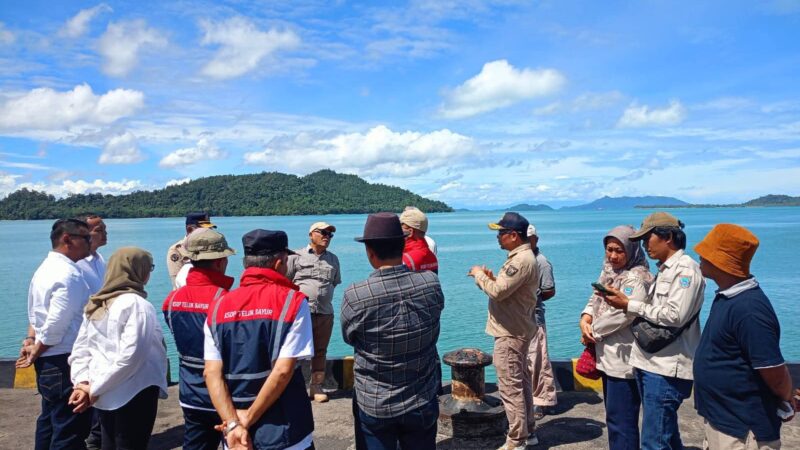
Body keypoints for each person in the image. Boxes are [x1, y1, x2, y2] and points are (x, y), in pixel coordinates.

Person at [602, 212, 705, 450]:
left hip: (666, 367)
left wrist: (630, 305)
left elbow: (675, 315)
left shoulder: (685, 270)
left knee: (654, 441)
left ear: (668, 237)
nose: (644, 245)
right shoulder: (666, 270)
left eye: (648, 238)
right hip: (650, 363)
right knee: (666, 435)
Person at [204, 229, 314, 450]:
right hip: (286, 430)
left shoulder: (218, 306)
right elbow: (283, 371)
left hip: (235, 434)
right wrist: (248, 418)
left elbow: (211, 373)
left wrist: (234, 423)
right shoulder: (293, 302)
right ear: (278, 263)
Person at [342, 212, 444, 450]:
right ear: (402, 244)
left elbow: (350, 337)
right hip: (422, 396)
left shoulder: (356, 295)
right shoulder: (431, 283)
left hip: (376, 400)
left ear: (370, 251)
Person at [693, 224, 796, 449]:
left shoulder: (749, 309)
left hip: (742, 430)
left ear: (721, 262)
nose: (699, 255)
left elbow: (773, 370)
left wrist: (788, 396)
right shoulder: (729, 298)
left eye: (706, 252)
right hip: (724, 421)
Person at [68, 247, 168, 450]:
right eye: (149, 268)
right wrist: (92, 389)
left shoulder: (97, 303)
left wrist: (82, 383)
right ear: (137, 271)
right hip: (134, 391)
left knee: (109, 444)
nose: (149, 273)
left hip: (104, 393)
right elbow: (132, 357)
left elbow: (80, 350)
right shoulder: (137, 305)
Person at [17, 218, 93, 449]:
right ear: (67, 239)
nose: (90, 243)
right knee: (70, 429)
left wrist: (35, 347)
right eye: (86, 238)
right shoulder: (68, 274)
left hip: (50, 359)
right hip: (64, 359)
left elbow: (36, 313)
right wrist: (37, 350)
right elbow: (56, 324)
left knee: (50, 421)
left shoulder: (45, 269)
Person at [580, 225, 655, 450]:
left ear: (631, 250)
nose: (612, 255)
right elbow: (596, 300)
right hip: (608, 355)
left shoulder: (635, 278)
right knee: (614, 416)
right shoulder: (609, 272)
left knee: (622, 420)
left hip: (624, 359)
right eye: (609, 249)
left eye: (619, 250)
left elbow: (624, 315)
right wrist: (585, 318)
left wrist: (594, 330)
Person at [468, 212, 539, 450]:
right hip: (518, 328)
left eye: (501, 233)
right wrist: (492, 280)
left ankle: (516, 439)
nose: (498, 237)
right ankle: (528, 431)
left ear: (514, 236)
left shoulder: (520, 260)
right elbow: (505, 290)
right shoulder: (522, 257)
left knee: (510, 386)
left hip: (510, 333)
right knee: (521, 383)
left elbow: (498, 292)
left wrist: (479, 275)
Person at [162, 229, 236, 450]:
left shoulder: (171, 300)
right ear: (220, 261)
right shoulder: (225, 301)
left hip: (189, 392)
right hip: (223, 394)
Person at [286, 221, 342, 403]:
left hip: (325, 312)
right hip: (301, 312)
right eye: (323, 232)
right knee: (295, 349)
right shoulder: (296, 257)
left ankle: (316, 386)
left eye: (330, 234)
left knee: (320, 350)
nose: (327, 236)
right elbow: (285, 283)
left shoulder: (333, 260)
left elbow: (333, 283)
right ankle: (292, 386)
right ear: (311, 235)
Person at [74, 213, 109, 450]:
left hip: (99, 338)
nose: (105, 231)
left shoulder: (99, 259)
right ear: (85, 232)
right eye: (100, 229)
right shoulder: (76, 265)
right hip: (81, 341)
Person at [526, 223, 557, 420]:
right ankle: (532, 398)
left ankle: (543, 400)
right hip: (522, 317)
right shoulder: (524, 259)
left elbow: (549, 290)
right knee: (528, 360)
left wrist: (533, 300)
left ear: (536, 239)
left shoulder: (541, 262)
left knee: (539, 360)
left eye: (529, 239)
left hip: (534, 317)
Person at [167, 212, 215, 288]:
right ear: (189, 229)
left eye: (209, 229)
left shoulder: (212, 247)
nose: (208, 233)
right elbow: (177, 283)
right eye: (204, 230)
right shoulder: (176, 250)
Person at [399, 207, 438, 273]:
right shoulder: (432, 257)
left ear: (410, 232)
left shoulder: (404, 260)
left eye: (400, 228)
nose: (398, 232)